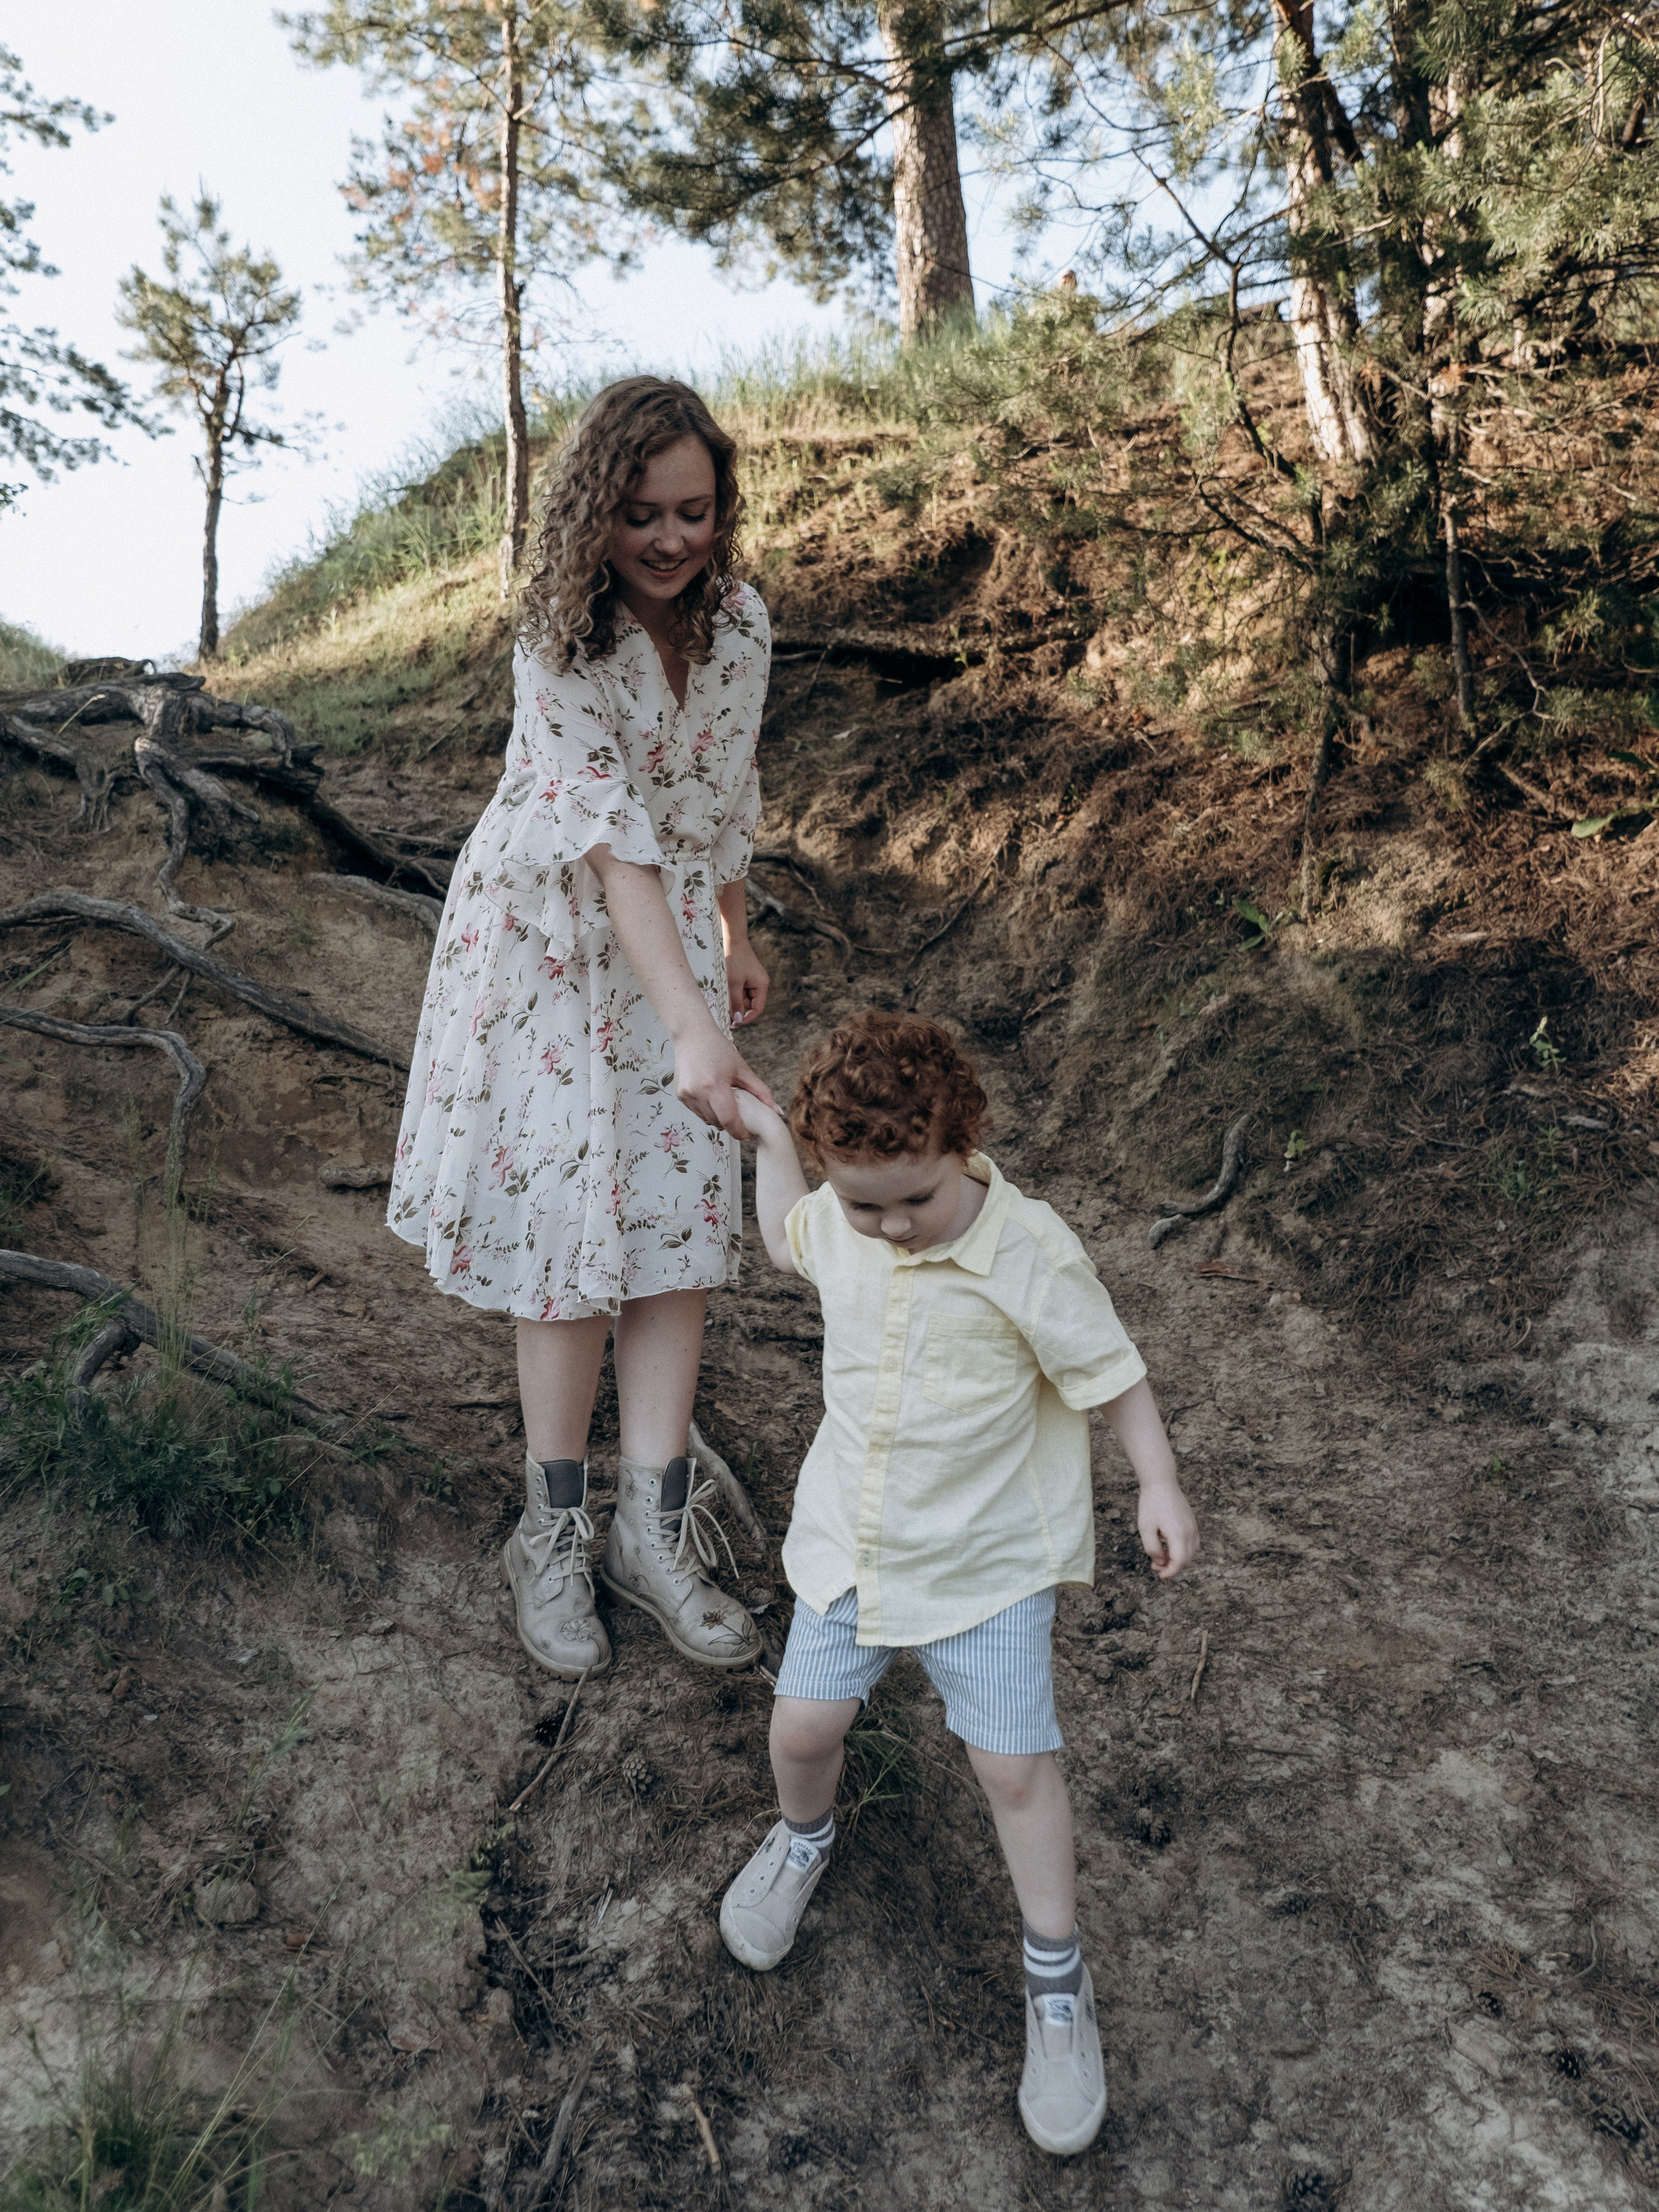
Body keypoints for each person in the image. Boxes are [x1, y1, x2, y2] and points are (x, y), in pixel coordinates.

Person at [717, 1012, 1200, 2156]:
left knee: (1014, 1766)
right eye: (862, 1202)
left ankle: (1055, 1977)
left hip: (987, 1562)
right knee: (802, 1727)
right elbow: (789, 1235)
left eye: (912, 1202)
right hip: (858, 1544)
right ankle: (801, 1839)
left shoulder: (1027, 1249)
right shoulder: (842, 1220)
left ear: (963, 1143)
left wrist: (1159, 1482)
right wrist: (759, 1136)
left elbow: (1111, 1372)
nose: (886, 1227)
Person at [388, 377, 774, 1682]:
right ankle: (549, 1534)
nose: (668, 540)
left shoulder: (741, 630)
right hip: (550, 954)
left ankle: (648, 1533)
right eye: (639, 513)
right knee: (567, 1243)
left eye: (693, 513)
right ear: (591, 511)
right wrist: (689, 1029)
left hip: (674, 960)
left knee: (674, 1231)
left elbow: (720, 795)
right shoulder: (558, 644)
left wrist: (733, 936)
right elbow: (610, 846)